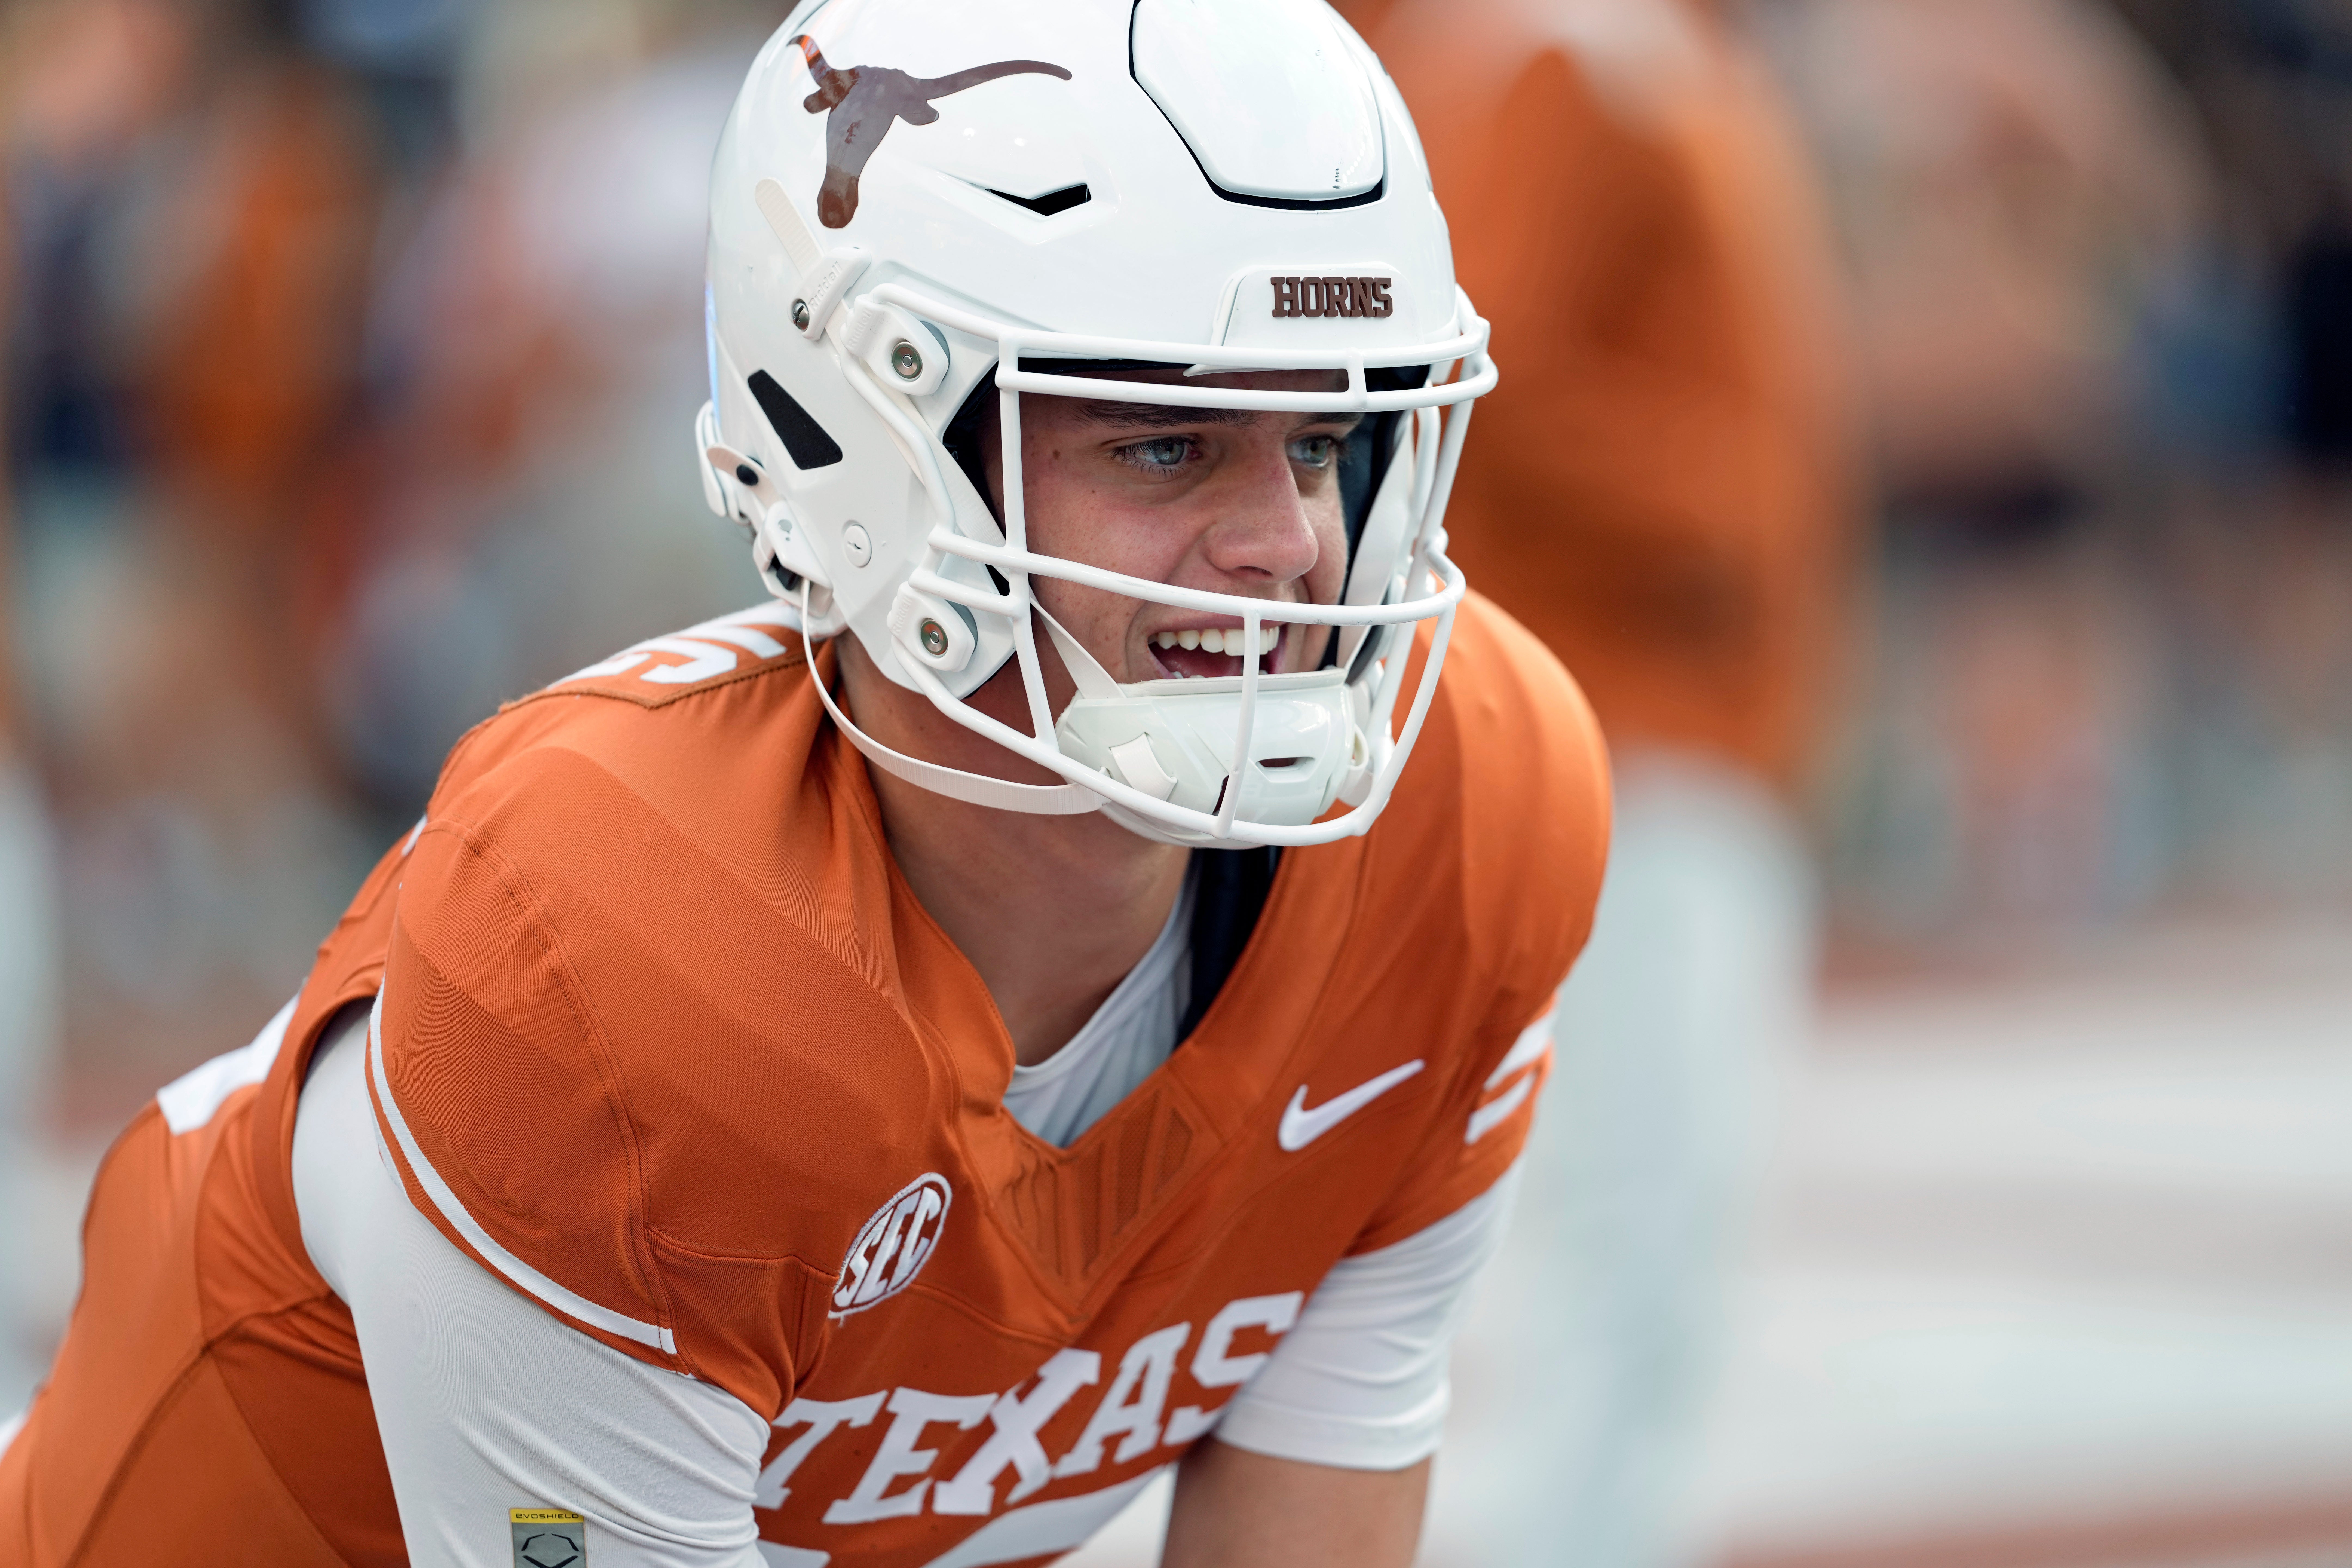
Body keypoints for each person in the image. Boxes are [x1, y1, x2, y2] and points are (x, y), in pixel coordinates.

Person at [0, 3, 1612, 1566]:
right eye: (1163, 444)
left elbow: (1318, 1500)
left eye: (1327, 442)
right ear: (869, 440)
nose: (1294, 545)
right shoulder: (616, 948)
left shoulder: (1463, 807)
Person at [1327, 1, 1853, 1564]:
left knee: (1644, 1248)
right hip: (1626, 733)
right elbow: (1475, 367)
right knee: (1632, 1247)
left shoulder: (1624, 54)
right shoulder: (1575, 59)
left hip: (1674, 724)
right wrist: (1727, 508)